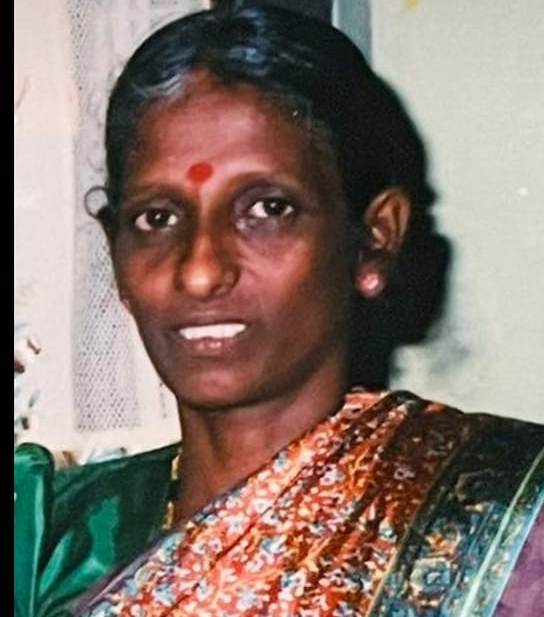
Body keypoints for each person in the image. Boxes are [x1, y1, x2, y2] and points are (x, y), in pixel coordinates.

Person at [14, 3, 543, 616]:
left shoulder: (508, 530)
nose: (200, 270)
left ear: (375, 238)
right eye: (157, 218)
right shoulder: (48, 545)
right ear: (115, 253)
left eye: (267, 209)